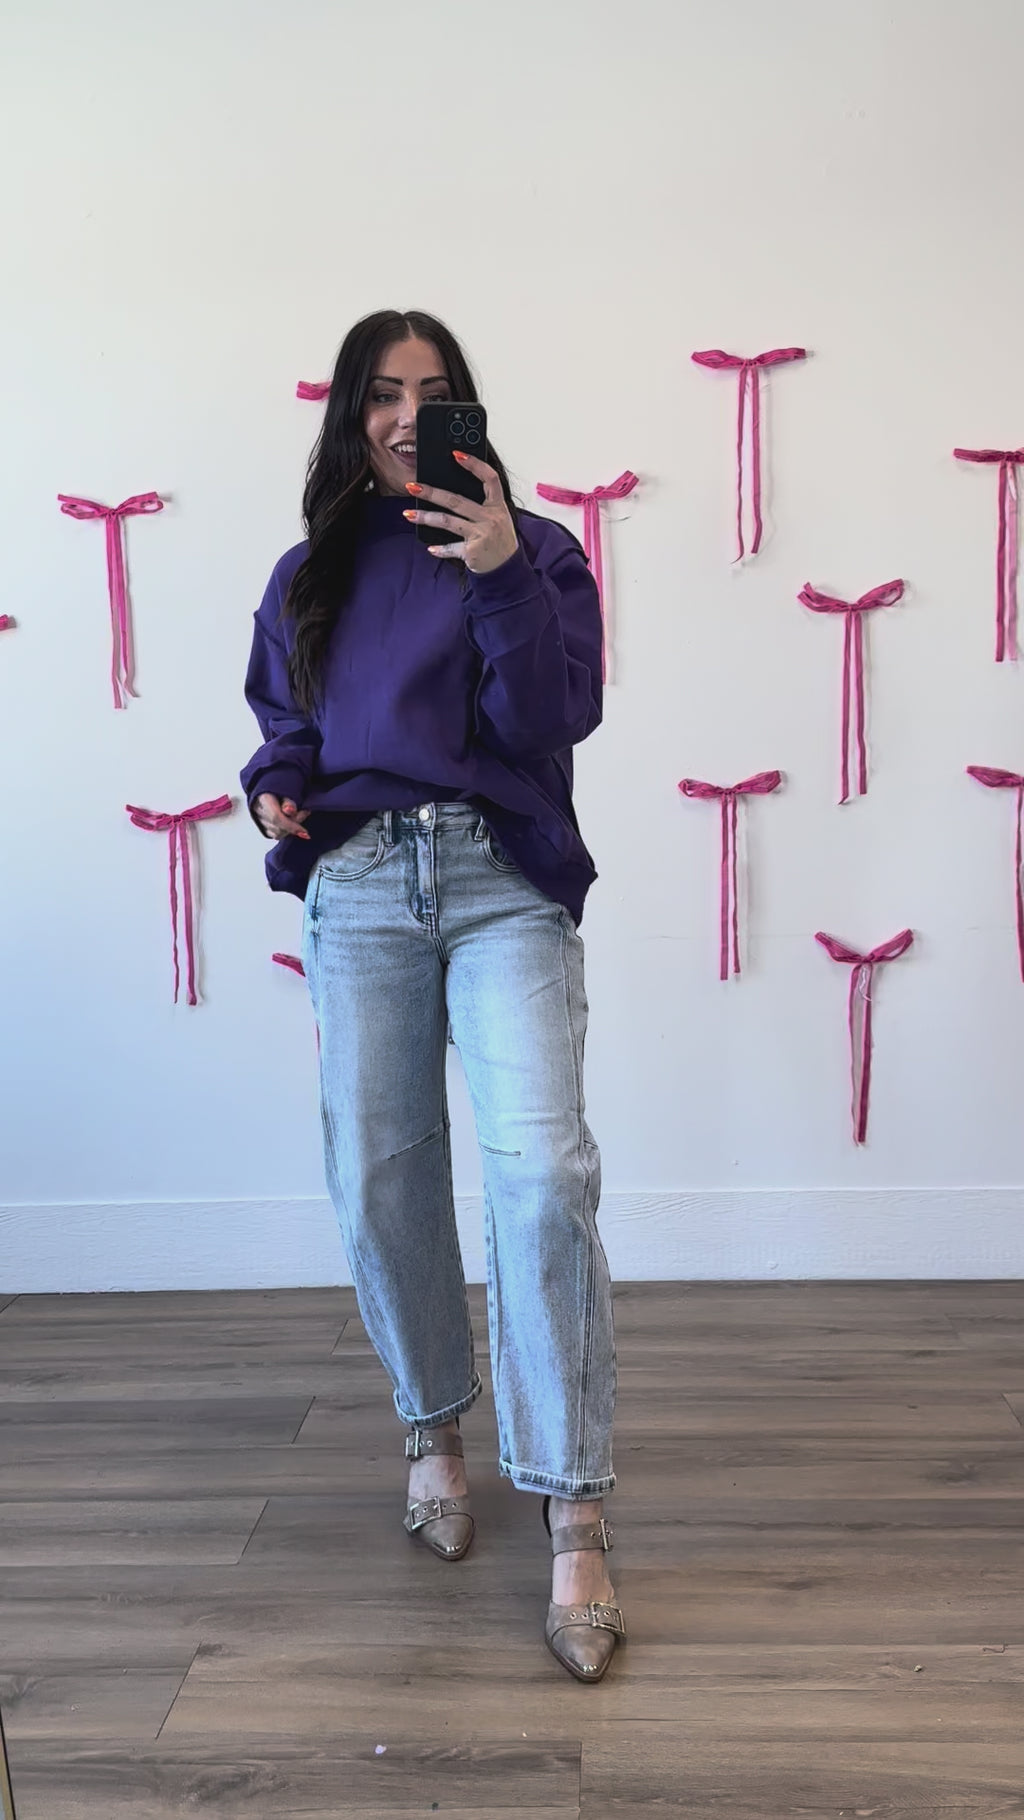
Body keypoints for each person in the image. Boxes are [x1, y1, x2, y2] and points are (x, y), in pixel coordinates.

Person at [240, 309, 625, 1682]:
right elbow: (286, 722)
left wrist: (503, 566)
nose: (410, 416)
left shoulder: (541, 551)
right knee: (380, 1170)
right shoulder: (312, 569)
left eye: (436, 392)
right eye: (384, 394)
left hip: (500, 877)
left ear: (469, 410)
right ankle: (433, 1429)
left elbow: (549, 722)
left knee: (542, 1173)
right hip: (358, 886)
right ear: (350, 415)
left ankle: (574, 1507)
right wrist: (277, 788)